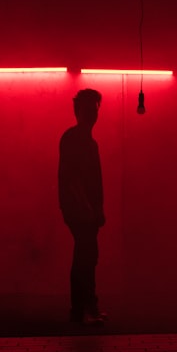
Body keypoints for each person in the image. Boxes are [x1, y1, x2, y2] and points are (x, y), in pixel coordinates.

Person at [58, 88, 107, 324]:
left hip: (82, 210)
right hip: (81, 211)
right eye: (89, 110)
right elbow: (73, 180)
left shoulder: (80, 140)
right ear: (78, 111)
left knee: (86, 256)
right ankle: (83, 309)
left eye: (94, 110)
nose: (92, 114)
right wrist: (90, 208)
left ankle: (84, 308)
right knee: (86, 257)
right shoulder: (78, 140)